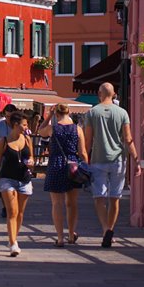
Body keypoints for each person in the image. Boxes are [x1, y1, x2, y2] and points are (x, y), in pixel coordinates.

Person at [83, 82, 139, 248]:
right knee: (115, 198)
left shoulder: (92, 113)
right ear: (114, 94)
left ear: (100, 93)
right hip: (119, 160)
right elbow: (128, 139)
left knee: (99, 197)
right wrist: (136, 159)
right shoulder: (122, 113)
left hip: (98, 160)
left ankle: (105, 229)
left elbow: (88, 140)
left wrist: (84, 158)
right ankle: (111, 230)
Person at [39, 103, 88, 246]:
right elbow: (83, 152)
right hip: (72, 164)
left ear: (56, 114)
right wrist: (86, 168)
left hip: (56, 164)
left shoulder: (53, 128)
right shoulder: (77, 129)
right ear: (69, 113)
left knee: (57, 204)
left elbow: (40, 130)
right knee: (72, 203)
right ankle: (71, 234)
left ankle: (60, 238)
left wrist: (48, 116)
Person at [0, 111, 34, 256]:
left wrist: (31, 163)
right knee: (12, 212)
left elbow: (31, 158)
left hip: (24, 179)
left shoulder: (27, 139)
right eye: (24, 125)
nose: (27, 127)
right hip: (7, 179)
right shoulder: (4, 141)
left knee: (20, 213)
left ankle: (13, 237)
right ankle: (13, 243)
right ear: (16, 125)